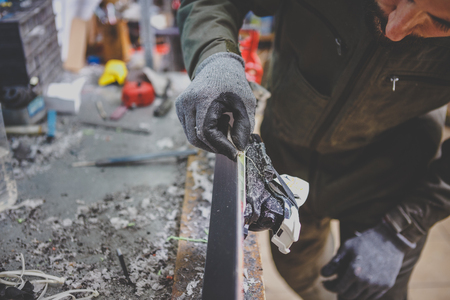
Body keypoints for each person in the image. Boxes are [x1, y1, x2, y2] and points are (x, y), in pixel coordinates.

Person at [175, 0, 450, 299]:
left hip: (390, 177)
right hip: (289, 155)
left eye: (440, 22)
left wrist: (400, 231)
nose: (396, 29)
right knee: (303, 274)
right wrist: (216, 57)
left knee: (371, 291)